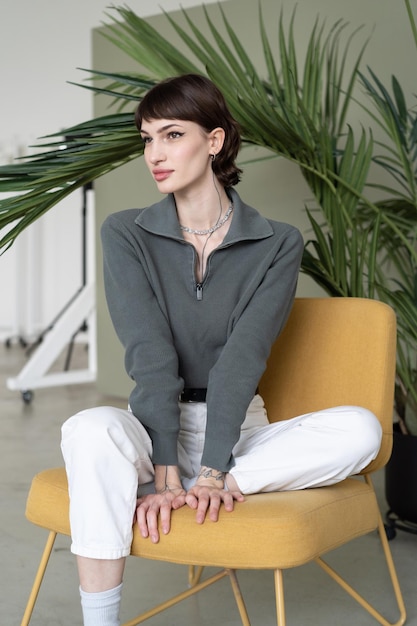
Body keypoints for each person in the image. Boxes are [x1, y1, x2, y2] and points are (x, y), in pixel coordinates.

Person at [61, 74, 382, 626]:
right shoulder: (126, 233)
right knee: (87, 429)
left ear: (214, 141)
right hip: (154, 429)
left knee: (362, 429)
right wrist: (165, 465)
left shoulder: (277, 242)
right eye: (146, 139)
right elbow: (149, 352)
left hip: (242, 433)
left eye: (171, 135)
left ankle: (215, 488)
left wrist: (214, 470)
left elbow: (244, 355)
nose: (154, 155)